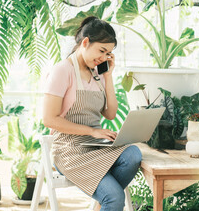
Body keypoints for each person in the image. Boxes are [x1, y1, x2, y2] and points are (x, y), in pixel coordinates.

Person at [43, 16, 142, 211]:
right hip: (69, 149)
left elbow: (111, 113)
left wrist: (108, 76)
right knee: (114, 197)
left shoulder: (98, 74)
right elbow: (49, 119)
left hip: (96, 146)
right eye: (102, 51)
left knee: (133, 154)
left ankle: (103, 203)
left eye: (109, 53)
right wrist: (91, 131)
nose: (104, 57)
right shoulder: (62, 70)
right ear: (86, 42)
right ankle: (107, 201)